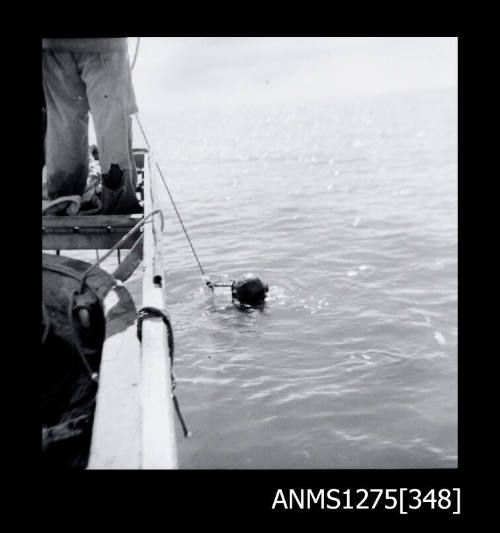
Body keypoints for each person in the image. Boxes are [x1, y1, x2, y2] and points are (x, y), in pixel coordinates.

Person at [42, 38, 142, 215]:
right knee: (112, 121)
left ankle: (63, 199)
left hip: (53, 46)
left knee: (64, 121)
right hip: (105, 45)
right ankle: (118, 202)